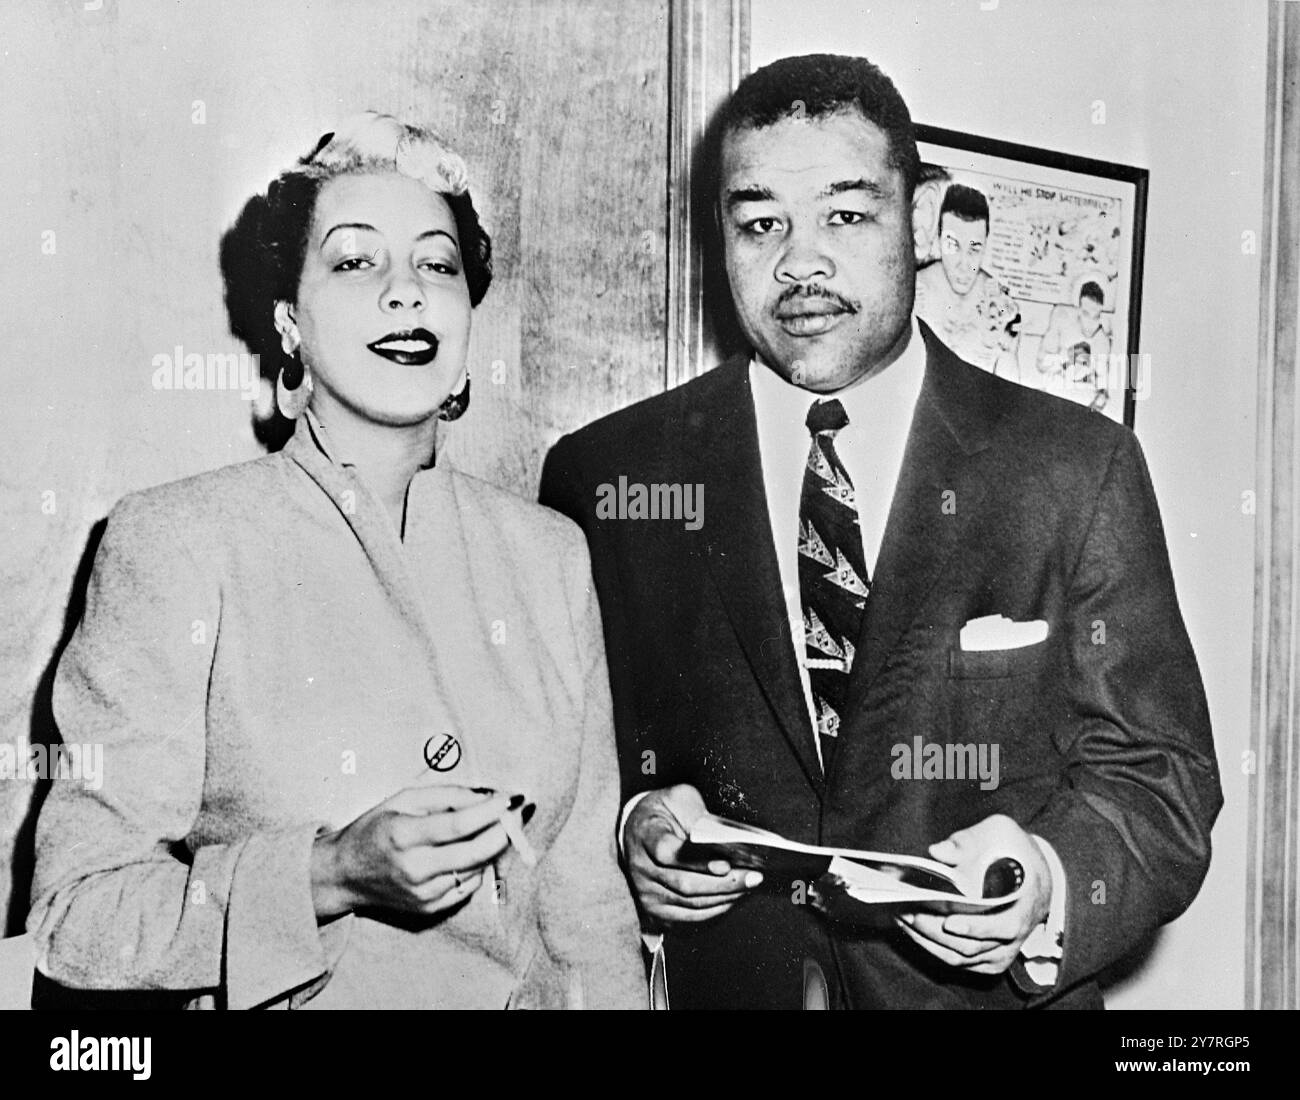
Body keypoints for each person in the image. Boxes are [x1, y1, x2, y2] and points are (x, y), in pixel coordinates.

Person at [540, 54, 1221, 1009]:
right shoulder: (609, 476)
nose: (799, 261)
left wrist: (1047, 881)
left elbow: (1162, 777)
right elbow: (579, 770)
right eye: (759, 222)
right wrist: (637, 835)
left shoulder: (1075, 468)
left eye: (846, 216)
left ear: (920, 226)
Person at [27, 112, 643, 1010]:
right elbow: (79, 917)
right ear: (288, 323)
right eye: (356, 262)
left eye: (438, 264)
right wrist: (328, 874)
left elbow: (587, 911)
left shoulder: (550, 556)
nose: (407, 294)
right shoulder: (177, 543)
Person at [914, 183, 1022, 377]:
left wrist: (1009, 351)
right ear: (938, 238)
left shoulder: (999, 302)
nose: (963, 264)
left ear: (986, 245)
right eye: (953, 245)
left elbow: (1010, 387)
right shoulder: (914, 292)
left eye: (974, 249)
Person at [1037, 280, 1114, 411]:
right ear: (1078, 309)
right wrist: (1067, 358)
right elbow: (1041, 363)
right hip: (1056, 393)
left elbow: (1102, 389)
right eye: (1085, 314)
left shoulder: (1102, 342)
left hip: (1082, 402)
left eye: (1095, 316)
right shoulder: (1062, 325)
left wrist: (1098, 402)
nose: (1090, 322)